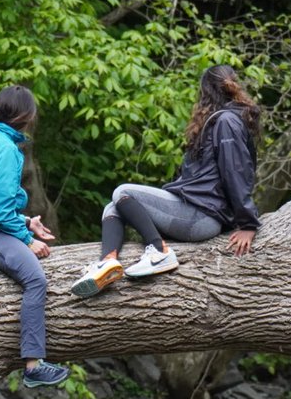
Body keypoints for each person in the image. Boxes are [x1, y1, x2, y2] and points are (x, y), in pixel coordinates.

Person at [70, 64, 262, 299]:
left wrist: (248, 224)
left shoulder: (226, 122)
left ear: (205, 91)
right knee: (113, 206)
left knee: (122, 192)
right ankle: (107, 264)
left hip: (202, 217)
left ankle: (159, 251)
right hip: (193, 208)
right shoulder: (217, 121)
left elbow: (236, 172)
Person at [0, 85, 69, 388]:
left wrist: (26, 222)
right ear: (26, 116)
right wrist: (26, 238)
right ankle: (33, 365)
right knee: (36, 279)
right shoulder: (4, 148)